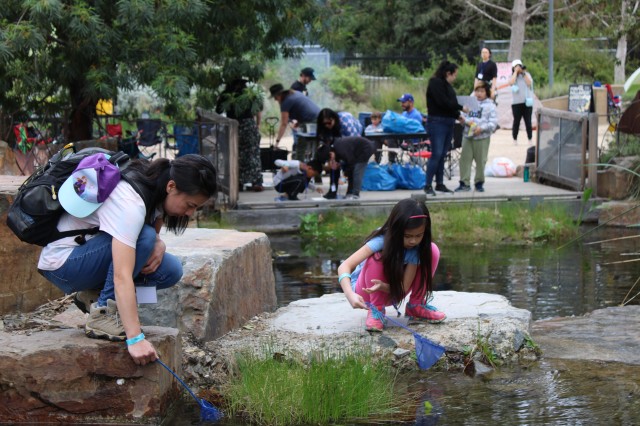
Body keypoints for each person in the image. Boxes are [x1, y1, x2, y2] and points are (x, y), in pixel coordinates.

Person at [37, 154, 217, 365]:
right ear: (171, 186)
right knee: (144, 237)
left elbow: (150, 235)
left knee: (170, 270)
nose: (190, 213)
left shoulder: (155, 191)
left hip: (86, 259)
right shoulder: (130, 201)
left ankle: (92, 296)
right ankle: (102, 313)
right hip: (64, 264)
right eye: (190, 205)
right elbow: (122, 275)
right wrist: (136, 339)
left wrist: (159, 242)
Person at [337, 198, 446, 332]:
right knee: (377, 257)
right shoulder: (382, 240)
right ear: (396, 230)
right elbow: (344, 266)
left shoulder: (416, 248)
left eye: (419, 235)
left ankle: (415, 305)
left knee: (432, 250)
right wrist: (349, 295)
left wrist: (383, 286)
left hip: (392, 290)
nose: (413, 241)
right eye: (407, 236)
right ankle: (376, 310)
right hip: (366, 291)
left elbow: (403, 288)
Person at [425, 60, 467, 196]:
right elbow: (443, 103)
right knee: (436, 153)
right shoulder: (435, 83)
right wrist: (461, 108)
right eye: (454, 75)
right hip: (437, 122)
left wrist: (457, 116)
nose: (455, 78)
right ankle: (427, 184)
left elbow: (450, 105)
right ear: (448, 73)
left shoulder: (448, 86)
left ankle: (440, 183)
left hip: (448, 122)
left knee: (443, 154)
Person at [216, 78, 264, 191]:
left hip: (232, 126)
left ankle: (238, 182)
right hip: (248, 125)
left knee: (235, 154)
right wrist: (257, 125)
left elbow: (218, 110)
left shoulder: (225, 95)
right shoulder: (250, 94)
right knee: (253, 154)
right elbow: (258, 111)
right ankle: (256, 181)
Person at [455, 81, 498, 193]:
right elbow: (463, 116)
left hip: (482, 138)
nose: (479, 93)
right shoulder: (469, 103)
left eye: (482, 91)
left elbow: (493, 123)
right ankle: (464, 183)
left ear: (486, 92)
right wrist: (462, 121)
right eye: (477, 91)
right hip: (467, 136)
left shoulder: (491, 106)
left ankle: (479, 183)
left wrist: (482, 129)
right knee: (465, 160)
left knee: (481, 161)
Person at [316, 108, 364, 199]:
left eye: (329, 123)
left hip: (354, 140)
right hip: (339, 141)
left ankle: (351, 191)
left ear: (334, 119)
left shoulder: (346, 122)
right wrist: (332, 159)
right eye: (324, 124)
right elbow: (327, 144)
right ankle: (332, 191)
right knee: (334, 165)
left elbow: (353, 145)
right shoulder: (325, 129)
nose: (327, 126)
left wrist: (342, 162)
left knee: (351, 165)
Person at [270, 83, 321, 160]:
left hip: (311, 121)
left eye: (275, 97)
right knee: (315, 145)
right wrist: (299, 122)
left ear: (279, 94)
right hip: (320, 117)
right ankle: (316, 165)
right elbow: (304, 108)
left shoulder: (286, 102)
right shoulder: (295, 93)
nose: (275, 99)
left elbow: (284, 124)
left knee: (301, 145)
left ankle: (298, 167)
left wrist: (277, 142)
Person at [316, 136, 375, 200]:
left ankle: (354, 194)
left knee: (357, 171)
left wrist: (343, 176)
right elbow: (337, 170)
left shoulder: (341, 149)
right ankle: (332, 193)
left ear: (330, 154)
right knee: (336, 170)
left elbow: (351, 164)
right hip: (354, 151)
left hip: (365, 148)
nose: (330, 161)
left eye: (329, 159)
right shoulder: (334, 150)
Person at [509, 59, 534, 145]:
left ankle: (530, 139)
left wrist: (523, 73)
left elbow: (529, 83)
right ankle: (514, 139)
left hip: (527, 102)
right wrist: (515, 72)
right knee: (516, 122)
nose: (519, 68)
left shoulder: (527, 75)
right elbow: (511, 82)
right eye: (516, 66)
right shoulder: (512, 76)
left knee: (528, 121)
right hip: (516, 103)